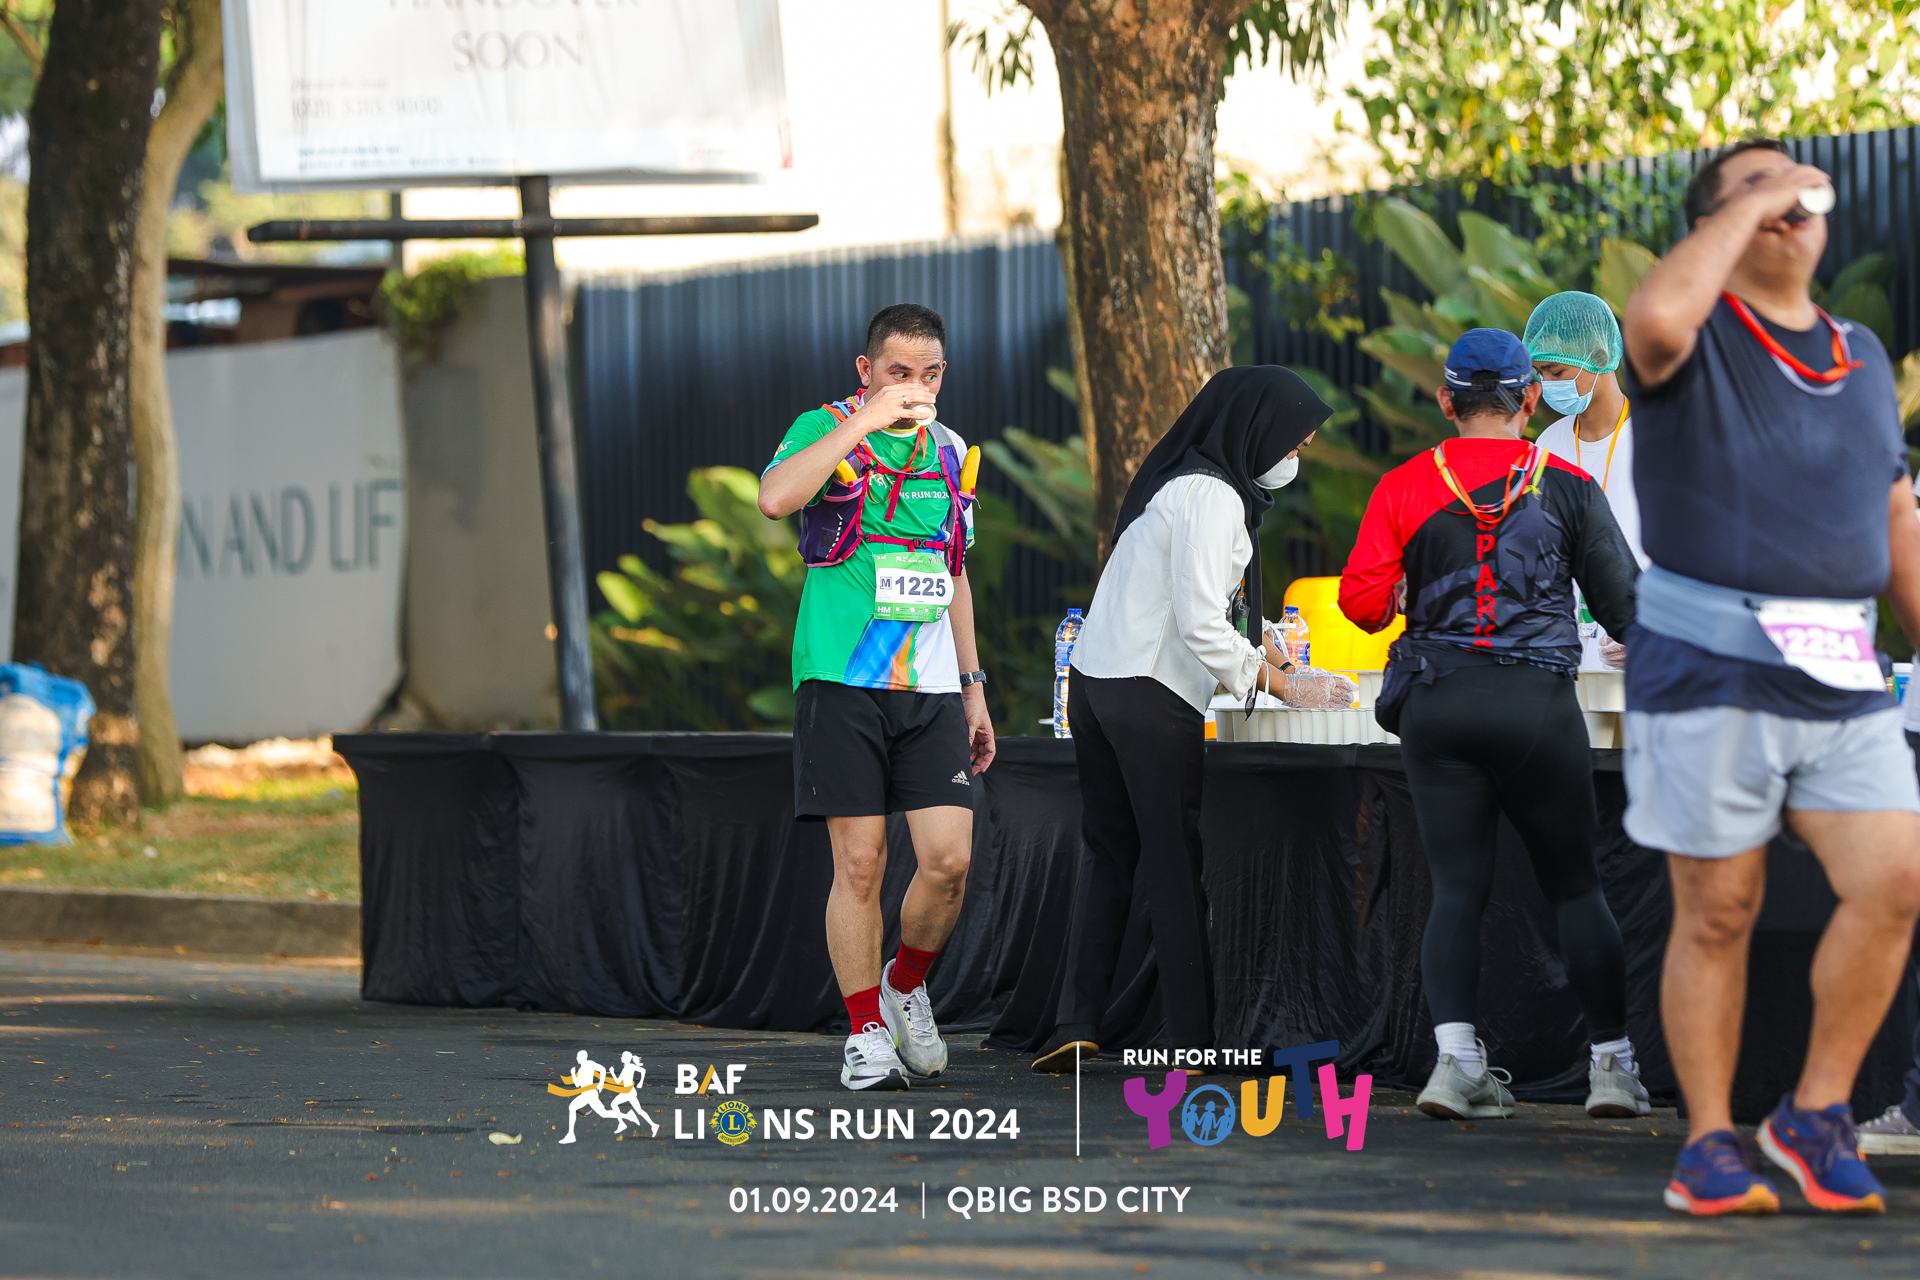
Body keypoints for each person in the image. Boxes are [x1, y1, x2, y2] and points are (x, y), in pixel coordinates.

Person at [1621, 139, 1920, 1215]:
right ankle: (1707, 1144)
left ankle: (1814, 1113)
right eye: (1752, 187)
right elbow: (1655, 319)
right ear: (1716, 222)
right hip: (1707, 663)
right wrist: (1748, 208)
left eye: (1796, 185)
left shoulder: (1861, 352)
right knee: (1719, 908)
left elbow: (1894, 514)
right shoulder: (1690, 332)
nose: (1788, 198)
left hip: (1842, 674)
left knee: (1896, 881)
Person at [1340, 328, 1646, 1124]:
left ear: (1447, 401)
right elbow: (1626, 610)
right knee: (1575, 886)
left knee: (1456, 889)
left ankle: (1457, 1066)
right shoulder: (1569, 484)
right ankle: (1612, 1068)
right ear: (1530, 399)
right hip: (1537, 704)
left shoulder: (1406, 483)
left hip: (1438, 704)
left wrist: (1406, 590)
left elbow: (1361, 604)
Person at [1029, 366, 1355, 1074]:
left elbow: (1201, 602)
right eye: (1295, 440)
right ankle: (1193, 1042)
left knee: (1110, 852)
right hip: (1149, 694)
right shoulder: (1213, 496)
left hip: (1095, 684)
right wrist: (1282, 685)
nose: (1298, 454)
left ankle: (1075, 1022)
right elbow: (1203, 621)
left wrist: (1271, 645)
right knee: (1174, 865)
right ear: (1256, 430)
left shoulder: (1182, 485)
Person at [758, 303, 996, 1091]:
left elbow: (955, 573)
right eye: (898, 373)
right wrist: (867, 419)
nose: (915, 387)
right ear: (866, 371)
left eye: (929, 374)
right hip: (841, 680)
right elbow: (775, 497)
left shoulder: (951, 450)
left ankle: (903, 986)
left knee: (949, 860)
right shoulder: (825, 428)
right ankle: (864, 1033)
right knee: (860, 864)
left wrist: (973, 688)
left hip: (929, 689)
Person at [1525, 291, 1644, 672]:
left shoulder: (1656, 438)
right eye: (1540, 373)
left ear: (1600, 356)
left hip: (1648, 651)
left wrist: (1655, 629)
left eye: (1557, 372)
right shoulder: (1548, 445)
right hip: (1571, 659)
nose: (1547, 384)